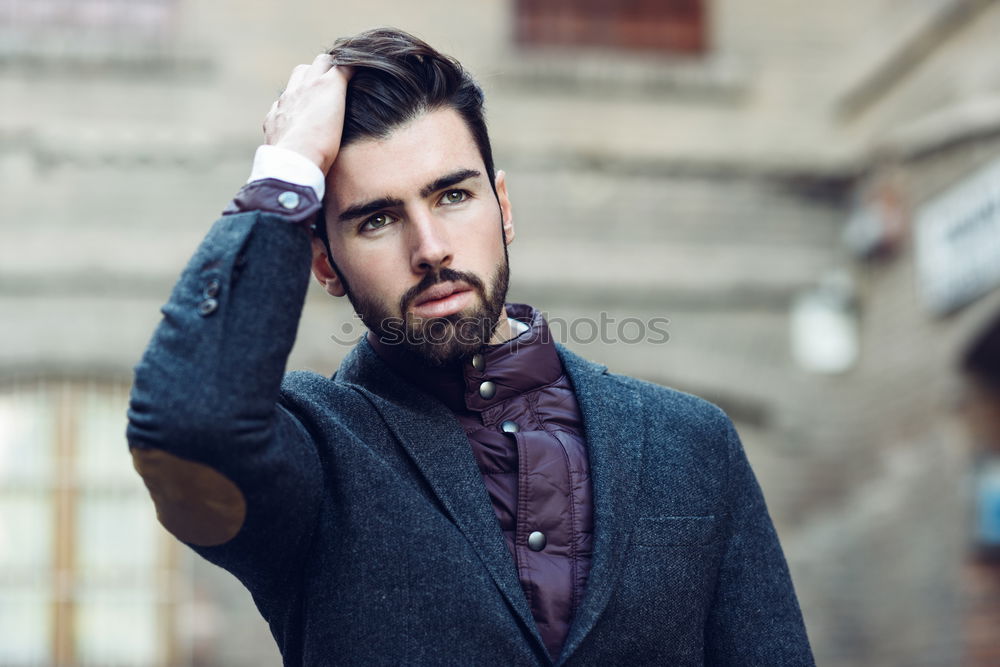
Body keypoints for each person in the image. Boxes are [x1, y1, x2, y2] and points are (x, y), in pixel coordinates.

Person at [127, 27, 814, 666]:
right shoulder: (313, 460)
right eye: (378, 219)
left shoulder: (692, 442)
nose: (429, 248)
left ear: (504, 207)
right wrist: (288, 170)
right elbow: (189, 422)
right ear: (326, 264)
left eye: (452, 195)